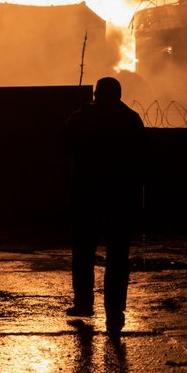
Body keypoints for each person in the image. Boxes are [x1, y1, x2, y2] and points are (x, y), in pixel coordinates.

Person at [59, 76, 146, 336]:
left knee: (83, 250)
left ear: (96, 94)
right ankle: (115, 310)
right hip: (121, 195)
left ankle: (84, 303)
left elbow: (61, 143)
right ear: (119, 95)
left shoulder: (84, 117)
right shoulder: (131, 119)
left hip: (87, 193)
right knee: (118, 255)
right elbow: (144, 157)